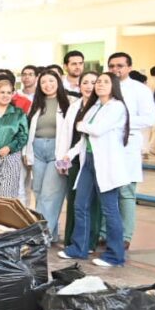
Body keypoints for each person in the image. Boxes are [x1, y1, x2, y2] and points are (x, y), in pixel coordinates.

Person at [58, 72, 131, 267]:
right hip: (88, 162)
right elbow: (84, 138)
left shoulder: (116, 107)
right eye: (99, 82)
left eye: (105, 82)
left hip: (106, 164)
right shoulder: (95, 107)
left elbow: (96, 130)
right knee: (80, 205)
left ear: (114, 86)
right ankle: (78, 248)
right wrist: (70, 154)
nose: (99, 85)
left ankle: (115, 255)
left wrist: (83, 125)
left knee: (110, 210)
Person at [107, 51, 155, 249]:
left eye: (120, 66)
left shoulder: (139, 90)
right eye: (112, 66)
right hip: (106, 146)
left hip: (128, 145)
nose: (115, 70)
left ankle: (126, 236)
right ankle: (104, 233)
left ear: (129, 67)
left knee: (126, 193)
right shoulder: (104, 86)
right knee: (106, 190)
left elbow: (149, 119)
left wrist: (120, 121)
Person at [24, 70, 73, 243]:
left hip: (57, 151)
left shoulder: (68, 103)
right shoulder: (36, 103)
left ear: (58, 82)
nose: (47, 85)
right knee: (38, 191)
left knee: (50, 194)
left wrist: (67, 156)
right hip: (37, 150)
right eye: (43, 82)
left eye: (51, 81)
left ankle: (42, 236)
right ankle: (49, 232)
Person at [63, 72, 101, 252]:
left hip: (94, 159)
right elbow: (65, 136)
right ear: (79, 86)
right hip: (73, 159)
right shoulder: (74, 106)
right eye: (85, 82)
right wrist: (63, 160)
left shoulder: (101, 108)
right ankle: (72, 239)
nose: (88, 86)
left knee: (92, 203)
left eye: (93, 82)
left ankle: (90, 241)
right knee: (74, 200)